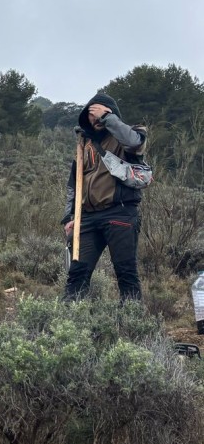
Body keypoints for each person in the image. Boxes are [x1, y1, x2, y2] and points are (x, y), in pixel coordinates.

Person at [63, 93, 148, 302]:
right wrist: (69, 217)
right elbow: (74, 185)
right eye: (91, 113)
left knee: (125, 272)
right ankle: (67, 323)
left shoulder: (130, 135)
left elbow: (134, 143)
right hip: (88, 218)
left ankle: (131, 323)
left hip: (120, 212)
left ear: (111, 113)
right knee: (76, 274)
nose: (96, 117)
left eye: (100, 112)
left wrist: (108, 118)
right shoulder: (84, 145)